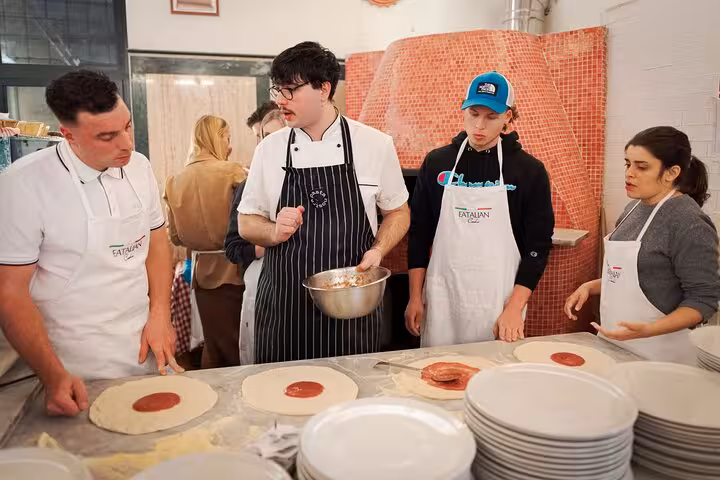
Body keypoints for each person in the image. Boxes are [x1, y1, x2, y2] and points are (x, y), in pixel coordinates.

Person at [0, 70, 180, 417]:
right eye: (107, 136)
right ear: (68, 135)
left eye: (127, 126)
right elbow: (10, 293)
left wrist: (160, 313)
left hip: (144, 345)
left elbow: (157, 241)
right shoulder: (23, 185)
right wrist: (53, 375)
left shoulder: (139, 167)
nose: (126, 144)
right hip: (73, 361)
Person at [237, 41, 410, 364]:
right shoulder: (269, 149)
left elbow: (398, 212)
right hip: (285, 312)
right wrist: (273, 231)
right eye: (278, 90)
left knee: (352, 399)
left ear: (324, 89)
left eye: (291, 90)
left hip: (351, 309)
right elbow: (246, 223)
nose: (280, 100)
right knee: (283, 402)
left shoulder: (374, 144)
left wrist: (379, 250)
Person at [405, 71, 554, 346]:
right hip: (442, 298)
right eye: (473, 113)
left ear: (508, 117)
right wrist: (416, 296)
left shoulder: (529, 171)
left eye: (491, 117)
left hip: (499, 300)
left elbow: (538, 246)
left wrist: (514, 308)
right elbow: (419, 233)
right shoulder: (438, 163)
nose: (479, 126)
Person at [565, 126, 719, 364]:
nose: (629, 174)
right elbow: (637, 276)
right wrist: (591, 286)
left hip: (660, 355)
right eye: (628, 164)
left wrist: (648, 330)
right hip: (616, 344)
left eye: (642, 166)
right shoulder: (632, 209)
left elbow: (703, 300)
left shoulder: (690, 223)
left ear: (671, 173)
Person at [164, 115, 246, 369]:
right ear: (218, 137)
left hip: (200, 275)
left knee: (215, 344)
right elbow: (251, 221)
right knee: (239, 347)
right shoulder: (234, 172)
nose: (230, 146)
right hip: (237, 270)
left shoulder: (175, 182)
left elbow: (175, 236)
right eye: (228, 138)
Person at [225, 108, 287, 365]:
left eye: (275, 136)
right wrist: (264, 245)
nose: (266, 145)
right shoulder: (247, 187)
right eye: (263, 137)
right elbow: (232, 247)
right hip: (264, 288)